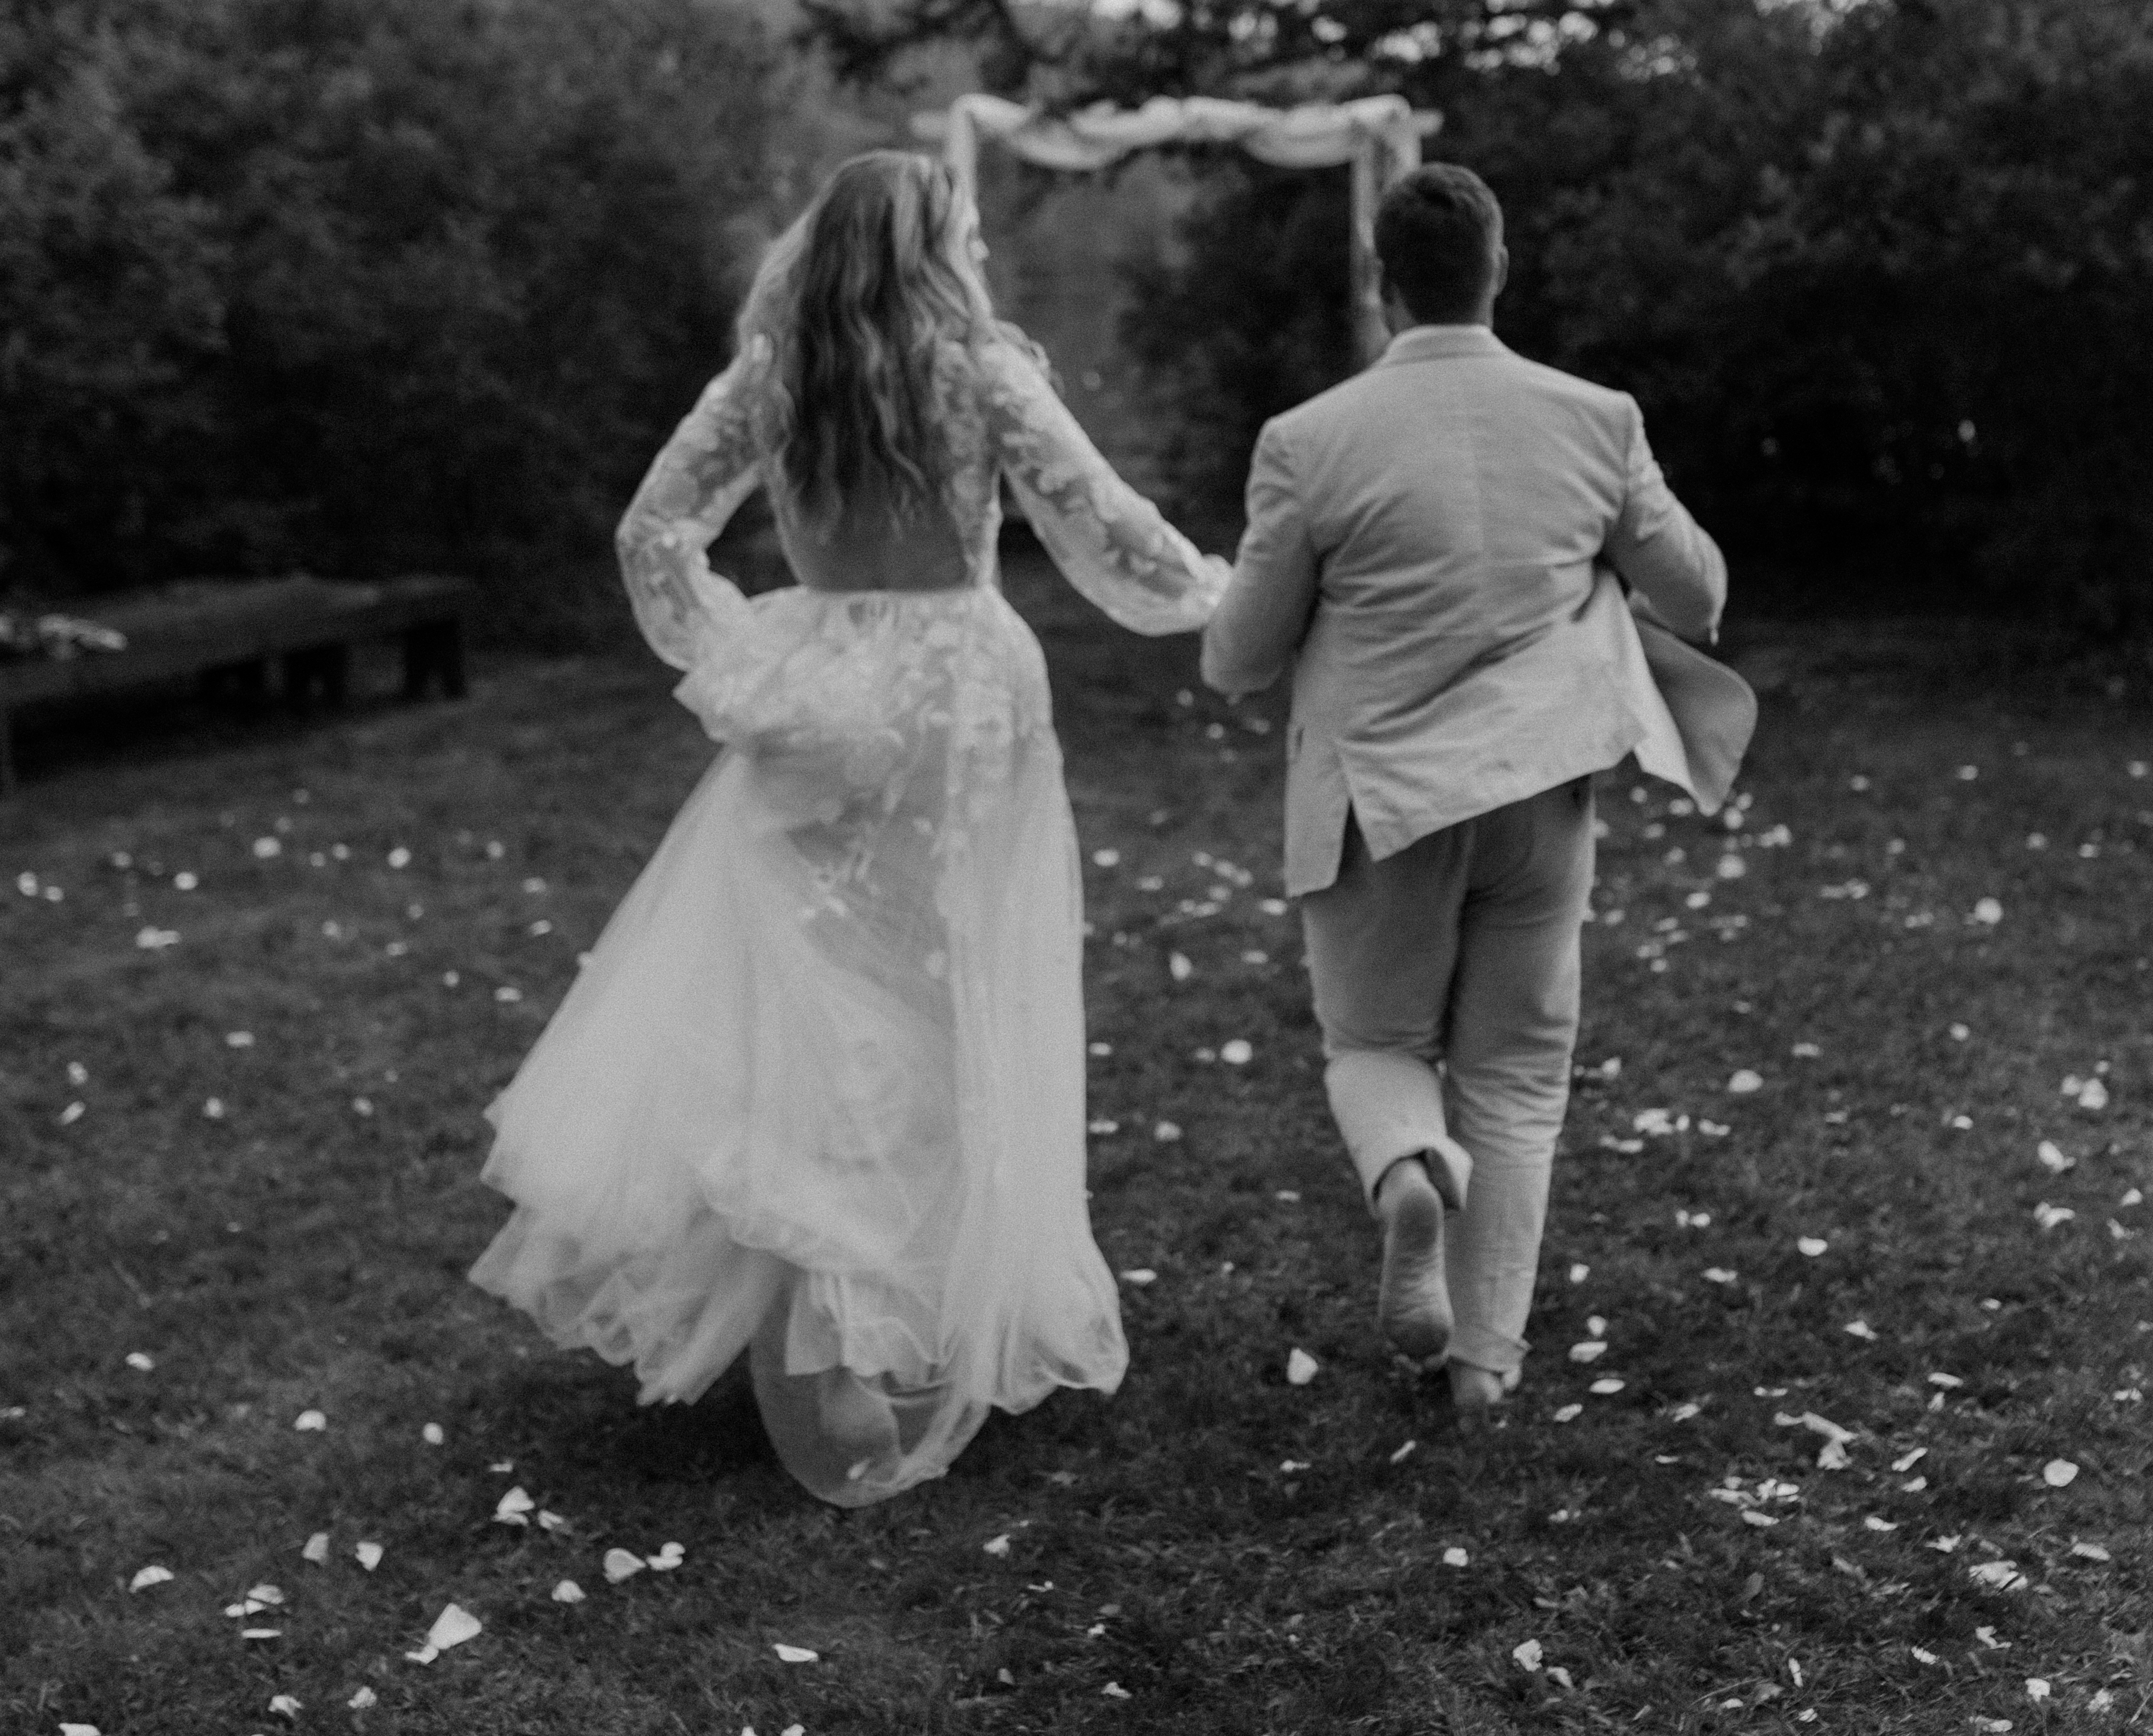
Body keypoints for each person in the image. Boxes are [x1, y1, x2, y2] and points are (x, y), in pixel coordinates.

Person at [468, 151, 1227, 1505]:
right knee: (943, 993)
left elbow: (654, 535)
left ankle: (834, 1322)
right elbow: (1107, 530)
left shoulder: (771, 371)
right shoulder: (982, 370)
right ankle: (867, 1314)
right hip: (961, 704)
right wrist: (1221, 592)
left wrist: (745, 655)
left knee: (815, 994)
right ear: (937, 248)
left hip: (818, 696)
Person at [1201, 163, 1744, 1417]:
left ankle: (1403, 1173)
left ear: (1382, 286)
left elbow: (1239, 658)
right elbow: (1699, 599)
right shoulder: (1597, 419)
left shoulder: (1309, 440)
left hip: (1377, 809)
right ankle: (1485, 1371)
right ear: (1497, 269)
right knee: (1516, 1076)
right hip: (1540, 801)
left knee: (1376, 1044)